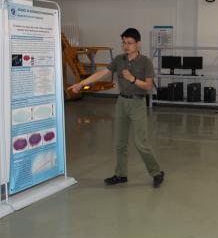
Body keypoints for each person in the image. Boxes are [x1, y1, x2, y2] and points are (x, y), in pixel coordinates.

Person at [69, 28, 165, 188]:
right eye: (124, 43)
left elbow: (148, 86)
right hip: (121, 103)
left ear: (138, 43)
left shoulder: (145, 61)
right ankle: (121, 174)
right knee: (120, 143)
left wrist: (132, 78)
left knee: (140, 142)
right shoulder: (119, 60)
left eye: (130, 43)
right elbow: (102, 74)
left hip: (137, 103)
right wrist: (81, 83)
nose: (126, 46)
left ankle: (156, 173)